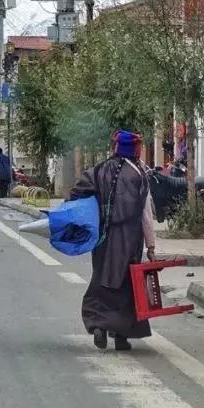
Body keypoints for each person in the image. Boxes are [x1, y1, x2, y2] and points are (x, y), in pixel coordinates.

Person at [69, 130, 156, 351]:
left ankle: (98, 324)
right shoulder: (138, 174)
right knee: (126, 283)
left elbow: (76, 195)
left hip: (103, 238)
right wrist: (151, 244)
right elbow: (145, 214)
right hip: (130, 238)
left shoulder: (98, 170)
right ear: (134, 149)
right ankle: (121, 336)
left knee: (103, 277)